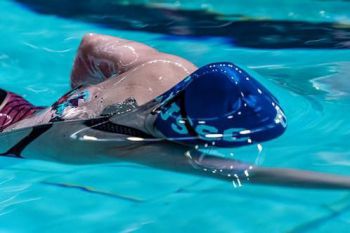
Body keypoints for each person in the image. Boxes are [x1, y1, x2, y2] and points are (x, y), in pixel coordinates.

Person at [0, 33, 286, 148]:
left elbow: (90, 43)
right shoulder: (122, 138)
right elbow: (251, 176)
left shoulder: (167, 67)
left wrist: (77, 92)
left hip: (12, 105)